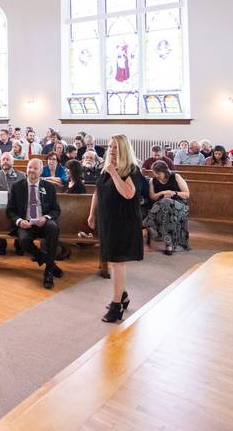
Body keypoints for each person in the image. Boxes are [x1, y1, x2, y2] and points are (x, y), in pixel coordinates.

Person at [87, 134, 143, 323]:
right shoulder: (106, 168)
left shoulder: (131, 170)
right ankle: (123, 295)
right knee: (112, 261)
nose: (111, 150)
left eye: (115, 147)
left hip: (123, 222)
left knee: (117, 262)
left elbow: (128, 194)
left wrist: (114, 173)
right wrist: (92, 214)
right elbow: (97, 191)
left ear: (124, 149)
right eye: (110, 147)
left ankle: (116, 305)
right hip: (107, 220)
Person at [5, 159, 62, 289]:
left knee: (53, 228)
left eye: (35, 168)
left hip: (43, 223)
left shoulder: (49, 187)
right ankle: (50, 263)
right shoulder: (17, 186)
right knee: (24, 240)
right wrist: (19, 221)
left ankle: (48, 272)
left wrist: (46, 218)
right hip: (26, 223)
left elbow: (56, 209)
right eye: (30, 167)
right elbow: (10, 210)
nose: (31, 170)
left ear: (41, 171)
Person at [145, 161, 190, 255]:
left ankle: (149, 221)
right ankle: (168, 244)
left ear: (165, 171)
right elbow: (152, 197)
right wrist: (162, 193)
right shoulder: (152, 181)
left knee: (166, 203)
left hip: (179, 205)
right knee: (165, 206)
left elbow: (186, 194)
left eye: (158, 173)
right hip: (161, 207)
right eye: (155, 173)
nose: (156, 175)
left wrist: (174, 193)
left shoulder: (176, 177)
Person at [0, 153, 26, 256]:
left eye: (7, 159)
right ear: (0, 162)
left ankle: (18, 244)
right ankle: (2, 244)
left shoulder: (22, 175)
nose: (5, 161)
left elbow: (25, 193)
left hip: (17, 206)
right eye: (3, 159)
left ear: (13, 162)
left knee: (23, 212)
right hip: (0, 205)